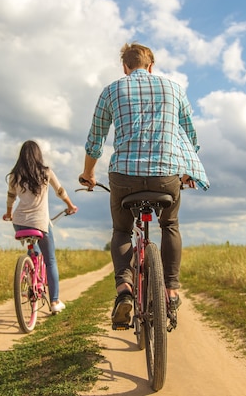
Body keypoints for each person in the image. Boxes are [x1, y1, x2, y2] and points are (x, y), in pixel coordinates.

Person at [79, 42, 209, 327]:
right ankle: (171, 289)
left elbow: (95, 140)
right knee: (170, 225)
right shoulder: (174, 89)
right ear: (151, 66)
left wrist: (88, 173)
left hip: (124, 177)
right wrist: (187, 172)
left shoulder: (112, 90)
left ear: (125, 67)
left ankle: (124, 289)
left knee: (122, 229)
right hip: (166, 176)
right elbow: (191, 136)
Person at [3, 140, 78, 314]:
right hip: (40, 222)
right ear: (38, 155)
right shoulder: (46, 173)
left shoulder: (15, 176)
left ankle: (30, 270)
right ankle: (54, 301)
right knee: (50, 260)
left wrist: (9, 214)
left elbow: (10, 198)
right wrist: (71, 205)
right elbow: (60, 191)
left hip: (19, 221)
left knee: (33, 249)